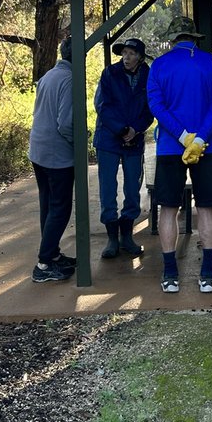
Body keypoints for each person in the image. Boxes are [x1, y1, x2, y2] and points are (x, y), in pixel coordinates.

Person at [146, 15, 212, 294]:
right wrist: (200, 138)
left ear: (172, 39)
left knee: (168, 208)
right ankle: (208, 273)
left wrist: (182, 136)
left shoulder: (159, 65)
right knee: (207, 207)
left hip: (170, 146)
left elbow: (156, 105)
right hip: (206, 146)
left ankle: (170, 274)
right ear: (194, 37)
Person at [93, 37, 153, 259]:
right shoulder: (110, 73)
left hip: (134, 139)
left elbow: (151, 108)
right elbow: (102, 105)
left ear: (140, 57)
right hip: (109, 137)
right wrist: (121, 129)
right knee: (108, 188)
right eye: (124, 53)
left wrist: (135, 129)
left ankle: (127, 235)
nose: (126, 57)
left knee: (133, 188)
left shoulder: (148, 76)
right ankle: (112, 237)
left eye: (131, 53)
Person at [27, 36, 77, 283]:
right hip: (57, 155)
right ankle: (44, 264)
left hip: (38, 151)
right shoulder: (69, 79)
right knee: (60, 208)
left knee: (48, 205)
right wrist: (80, 141)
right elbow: (66, 123)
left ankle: (53, 254)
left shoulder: (48, 76)